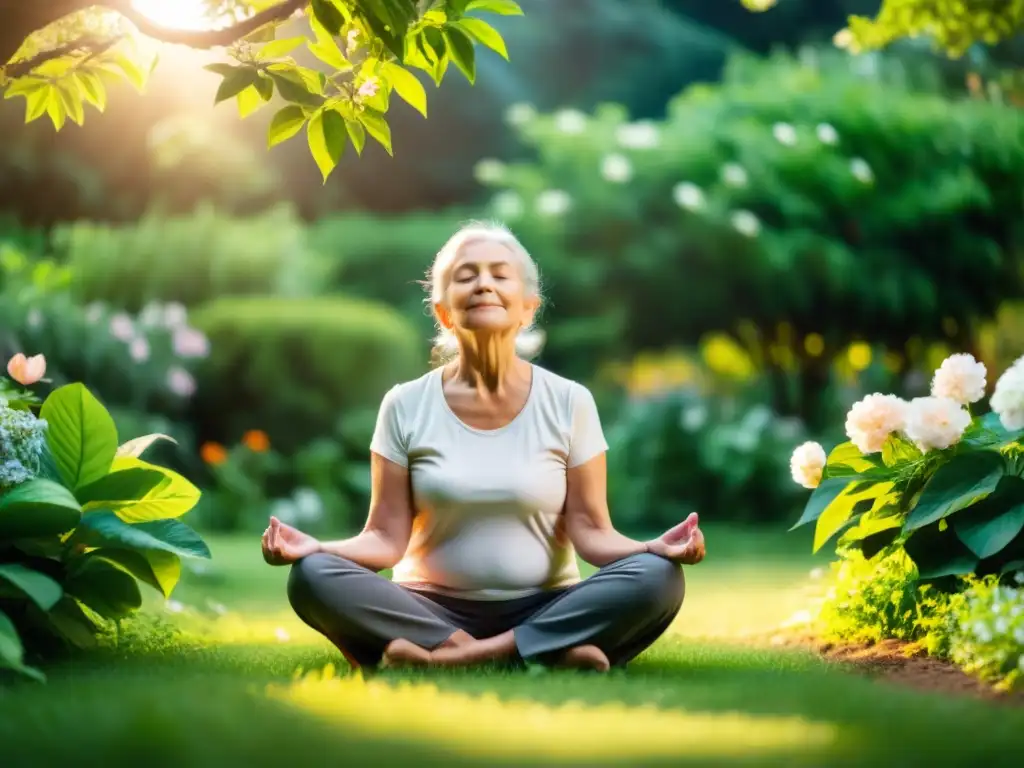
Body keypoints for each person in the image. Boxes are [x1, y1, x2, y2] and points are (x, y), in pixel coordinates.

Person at [261, 221, 706, 672]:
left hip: (545, 606)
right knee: (313, 577)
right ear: (443, 310)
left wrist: (652, 549)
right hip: (428, 610)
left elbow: (593, 532)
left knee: (658, 579)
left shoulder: (571, 402)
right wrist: (316, 548)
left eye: (499, 273)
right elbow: (384, 538)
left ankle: (464, 658)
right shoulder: (405, 404)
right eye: (466, 274)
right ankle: (542, 654)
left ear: (527, 308)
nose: (483, 284)